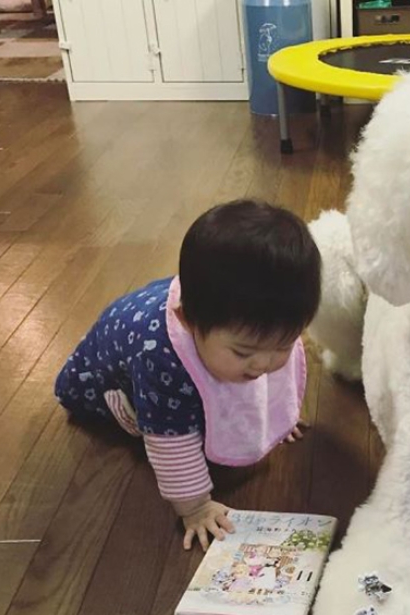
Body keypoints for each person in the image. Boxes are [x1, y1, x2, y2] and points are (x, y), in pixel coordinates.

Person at [54, 199, 321, 550]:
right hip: (102, 384)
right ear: (188, 322)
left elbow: (262, 353)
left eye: (284, 345)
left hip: (181, 343)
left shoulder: (247, 322)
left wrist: (277, 414)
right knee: (164, 414)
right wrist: (195, 507)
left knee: (239, 366)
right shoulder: (162, 358)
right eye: (244, 352)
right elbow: (169, 442)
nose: (264, 364)